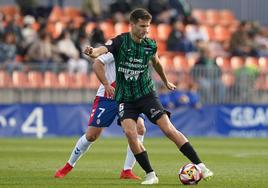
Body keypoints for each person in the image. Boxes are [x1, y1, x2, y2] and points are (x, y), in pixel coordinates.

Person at [84, 8, 213, 185]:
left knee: (168, 129)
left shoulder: (150, 44)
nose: (146, 29)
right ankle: (150, 174)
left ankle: (201, 166)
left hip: (146, 93)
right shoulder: (121, 41)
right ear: (132, 25)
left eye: (148, 26)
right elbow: (103, 49)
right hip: (125, 97)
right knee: (131, 133)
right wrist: (93, 52)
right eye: (142, 26)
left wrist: (166, 81)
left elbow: (157, 63)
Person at [54, 52, 147, 180]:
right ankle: (68, 166)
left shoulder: (142, 51)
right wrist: (106, 83)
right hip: (107, 97)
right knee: (92, 135)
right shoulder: (119, 47)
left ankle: (127, 170)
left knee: (140, 128)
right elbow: (98, 60)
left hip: (128, 98)